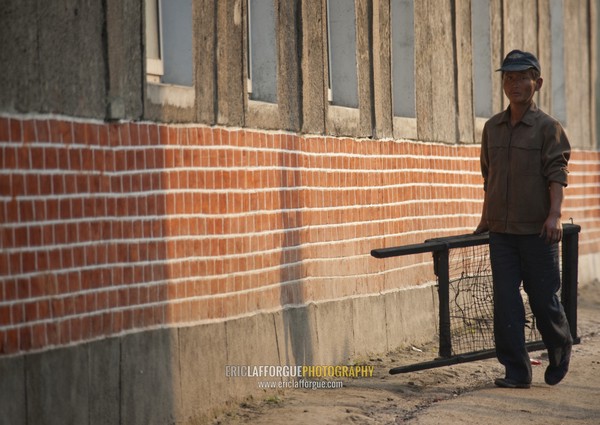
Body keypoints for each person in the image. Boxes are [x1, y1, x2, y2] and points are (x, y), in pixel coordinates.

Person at [474, 50, 573, 389]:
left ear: (538, 83)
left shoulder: (548, 128)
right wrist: (485, 219)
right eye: (508, 77)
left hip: (537, 232)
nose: (514, 84)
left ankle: (560, 345)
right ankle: (516, 371)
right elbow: (490, 179)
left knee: (544, 299)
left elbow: (556, 174)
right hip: (501, 233)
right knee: (506, 303)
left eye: (522, 77)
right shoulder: (492, 128)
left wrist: (554, 216)